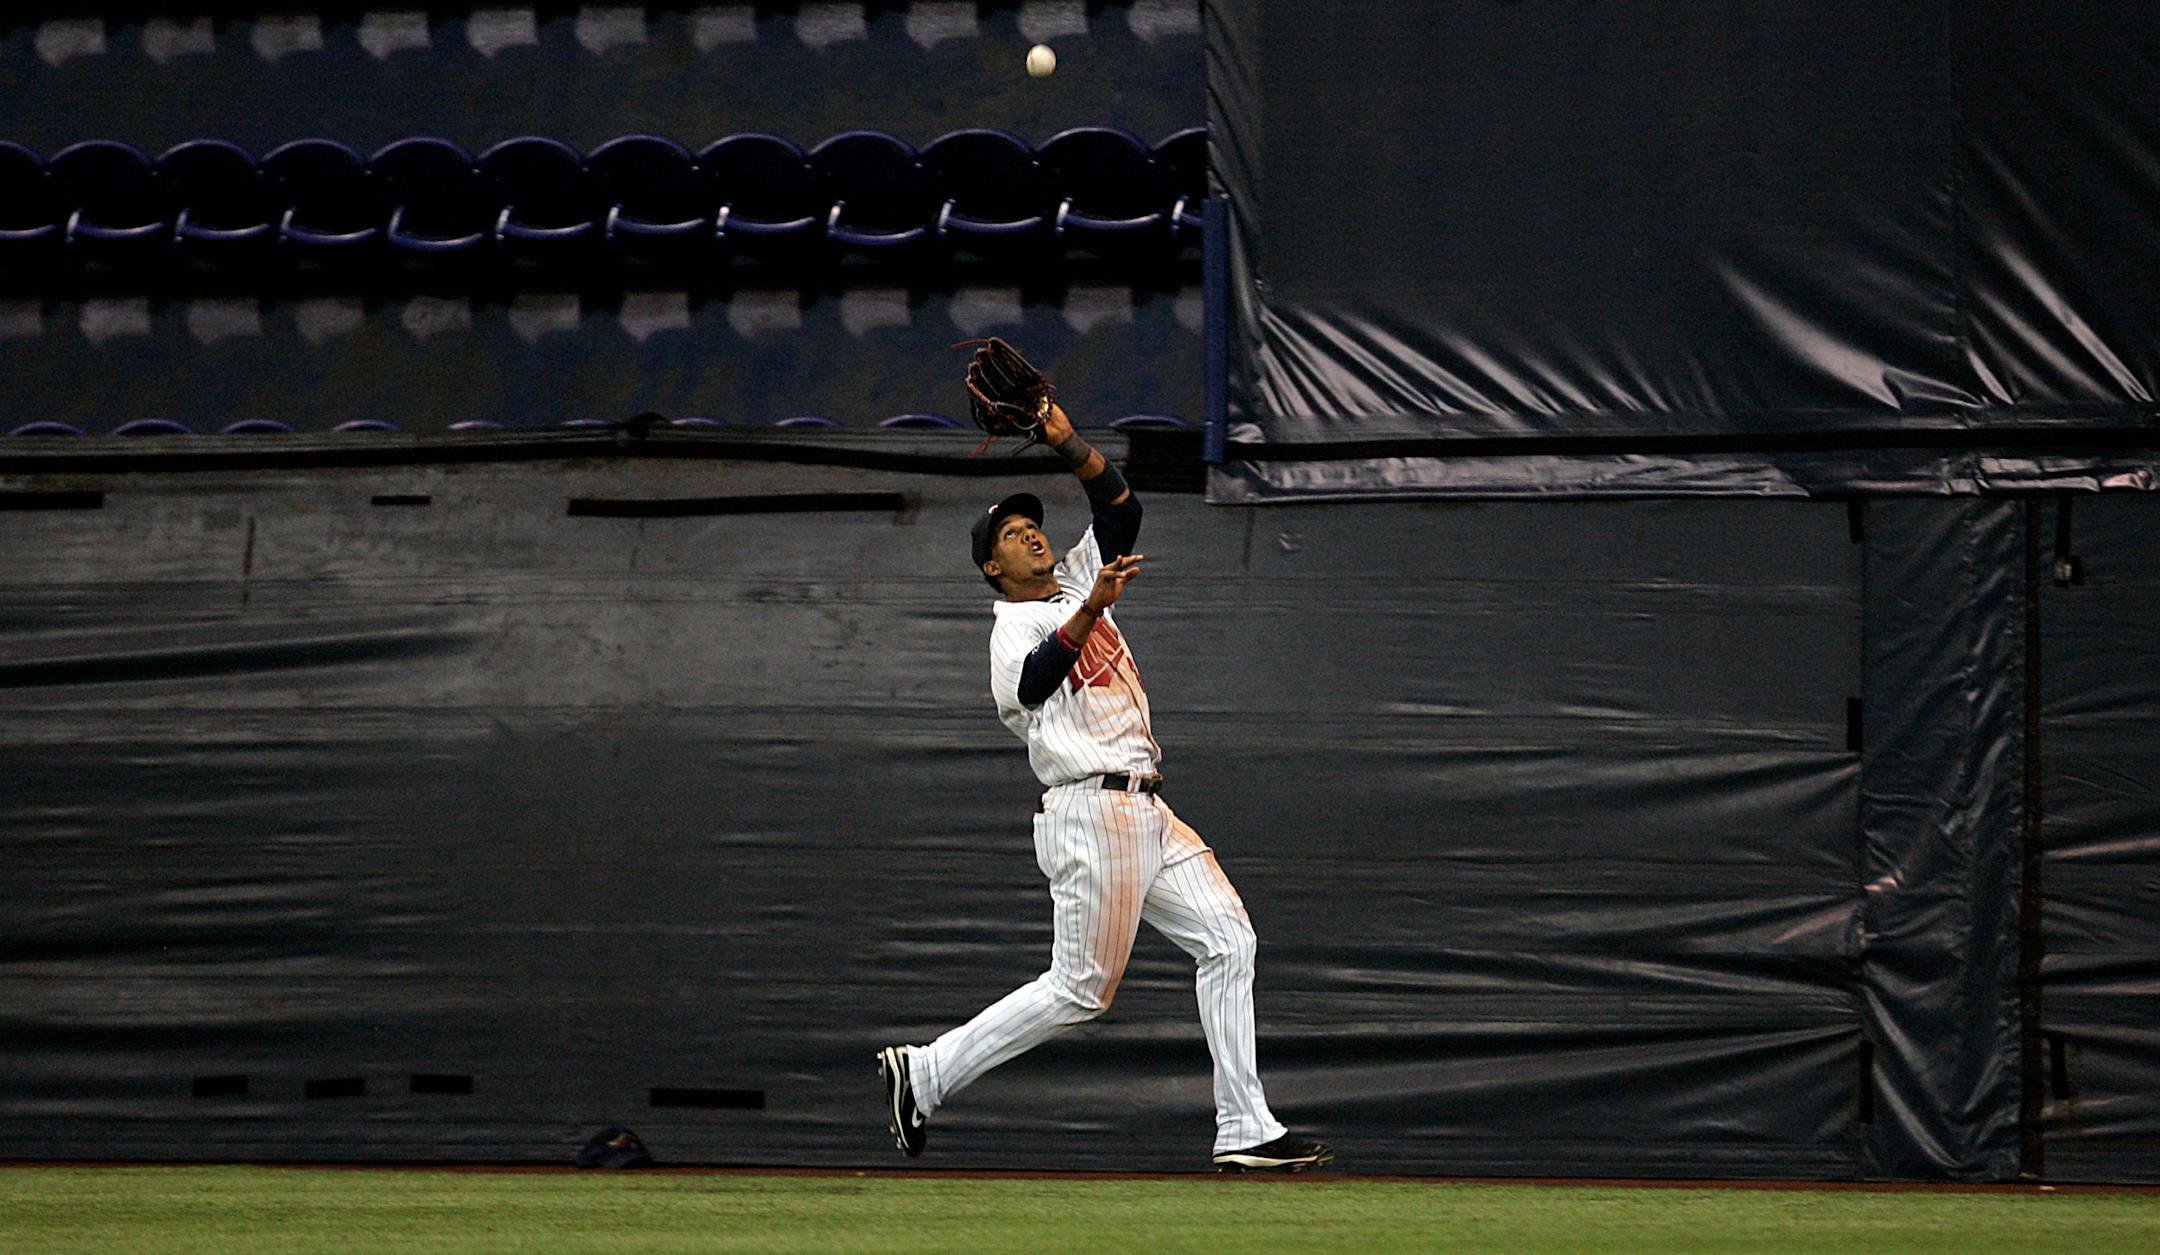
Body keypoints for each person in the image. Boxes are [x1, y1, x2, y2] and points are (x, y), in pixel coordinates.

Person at [877, 401, 1332, 1173]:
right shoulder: (1012, 627)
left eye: (1030, 524)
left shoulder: (1075, 580)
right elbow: (1032, 682)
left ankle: (1245, 1126)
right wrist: (1090, 606)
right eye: (1009, 535)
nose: (1028, 532)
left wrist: (1063, 437)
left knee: (1229, 941)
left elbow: (1123, 508)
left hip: (1149, 806)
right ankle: (926, 1072)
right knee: (1080, 990)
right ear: (993, 567)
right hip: (1090, 809)